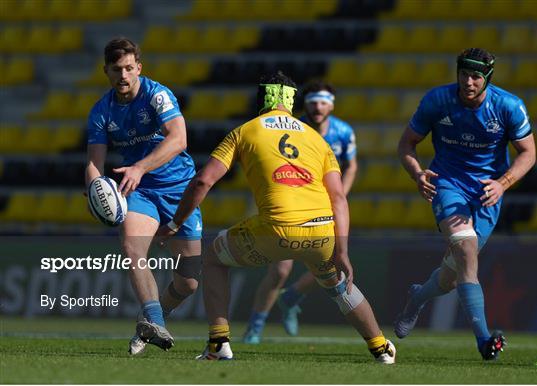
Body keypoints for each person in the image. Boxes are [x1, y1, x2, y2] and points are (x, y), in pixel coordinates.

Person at [156, 71, 395, 363]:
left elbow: (203, 182)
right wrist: (342, 249)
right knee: (339, 286)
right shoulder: (317, 140)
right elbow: (339, 198)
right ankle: (381, 347)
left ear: (261, 98)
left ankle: (219, 343)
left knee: (213, 258)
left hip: (277, 230)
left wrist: (175, 222)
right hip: (322, 232)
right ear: (293, 102)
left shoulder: (245, 131)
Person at [395, 48, 535, 360]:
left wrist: (502, 183)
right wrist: (418, 174)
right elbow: (407, 144)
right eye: (463, 74)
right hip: (448, 184)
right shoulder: (437, 100)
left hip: (487, 192)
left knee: (451, 276)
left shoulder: (508, 106)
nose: (468, 82)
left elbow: (529, 152)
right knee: (467, 251)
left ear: (487, 79)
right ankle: (485, 341)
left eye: (476, 76)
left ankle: (417, 297)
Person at [85, 37, 203, 355]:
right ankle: (153, 318)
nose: (122, 75)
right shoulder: (101, 111)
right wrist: (95, 191)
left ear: (138, 67)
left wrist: (138, 166)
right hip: (141, 192)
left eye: (128, 68)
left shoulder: (157, 95)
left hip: (180, 190)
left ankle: (149, 321)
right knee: (131, 247)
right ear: (106, 71)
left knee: (189, 282)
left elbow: (179, 138)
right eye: (115, 69)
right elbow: (94, 164)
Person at [242, 81, 358, 344]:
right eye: (314, 101)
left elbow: (351, 165)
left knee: (333, 264)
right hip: (292, 206)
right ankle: (255, 327)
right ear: (304, 104)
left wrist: (340, 194)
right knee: (280, 271)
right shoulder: (295, 129)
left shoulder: (343, 132)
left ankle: (291, 296)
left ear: (332, 104)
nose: (318, 106)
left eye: (324, 101)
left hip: (324, 207)